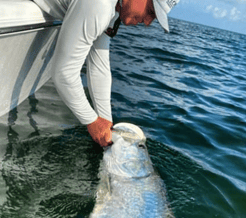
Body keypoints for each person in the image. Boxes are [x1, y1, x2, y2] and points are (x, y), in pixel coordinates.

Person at [34, 0, 180, 147]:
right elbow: (64, 73)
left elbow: (99, 66)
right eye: (150, 12)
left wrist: (106, 123)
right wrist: (92, 121)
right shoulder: (100, 4)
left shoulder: (112, 8)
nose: (148, 22)